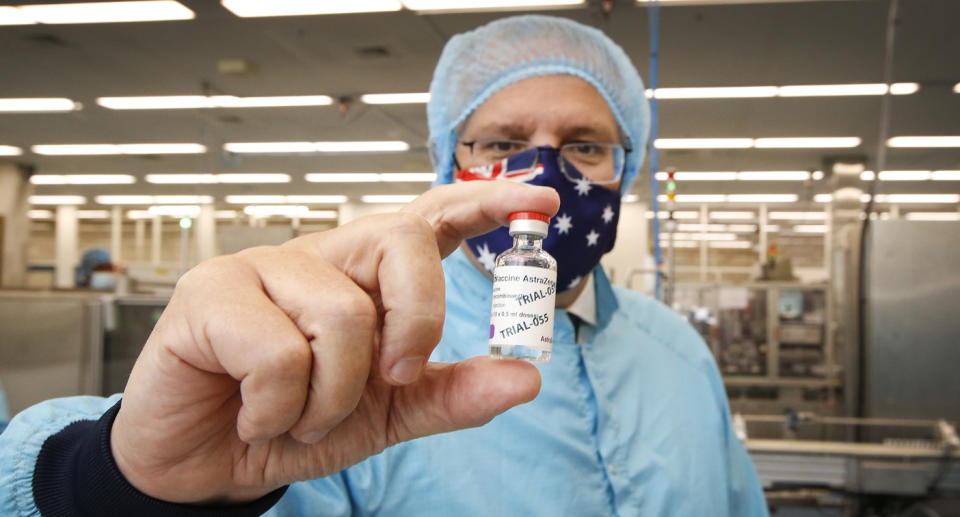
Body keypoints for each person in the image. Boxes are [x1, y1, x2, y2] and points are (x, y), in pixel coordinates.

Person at [0, 15, 767, 516]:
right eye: (502, 145)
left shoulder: (679, 356)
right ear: (448, 162)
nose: (541, 179)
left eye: (585, 144)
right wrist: (117, 480)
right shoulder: (363, 354)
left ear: (624, 167)